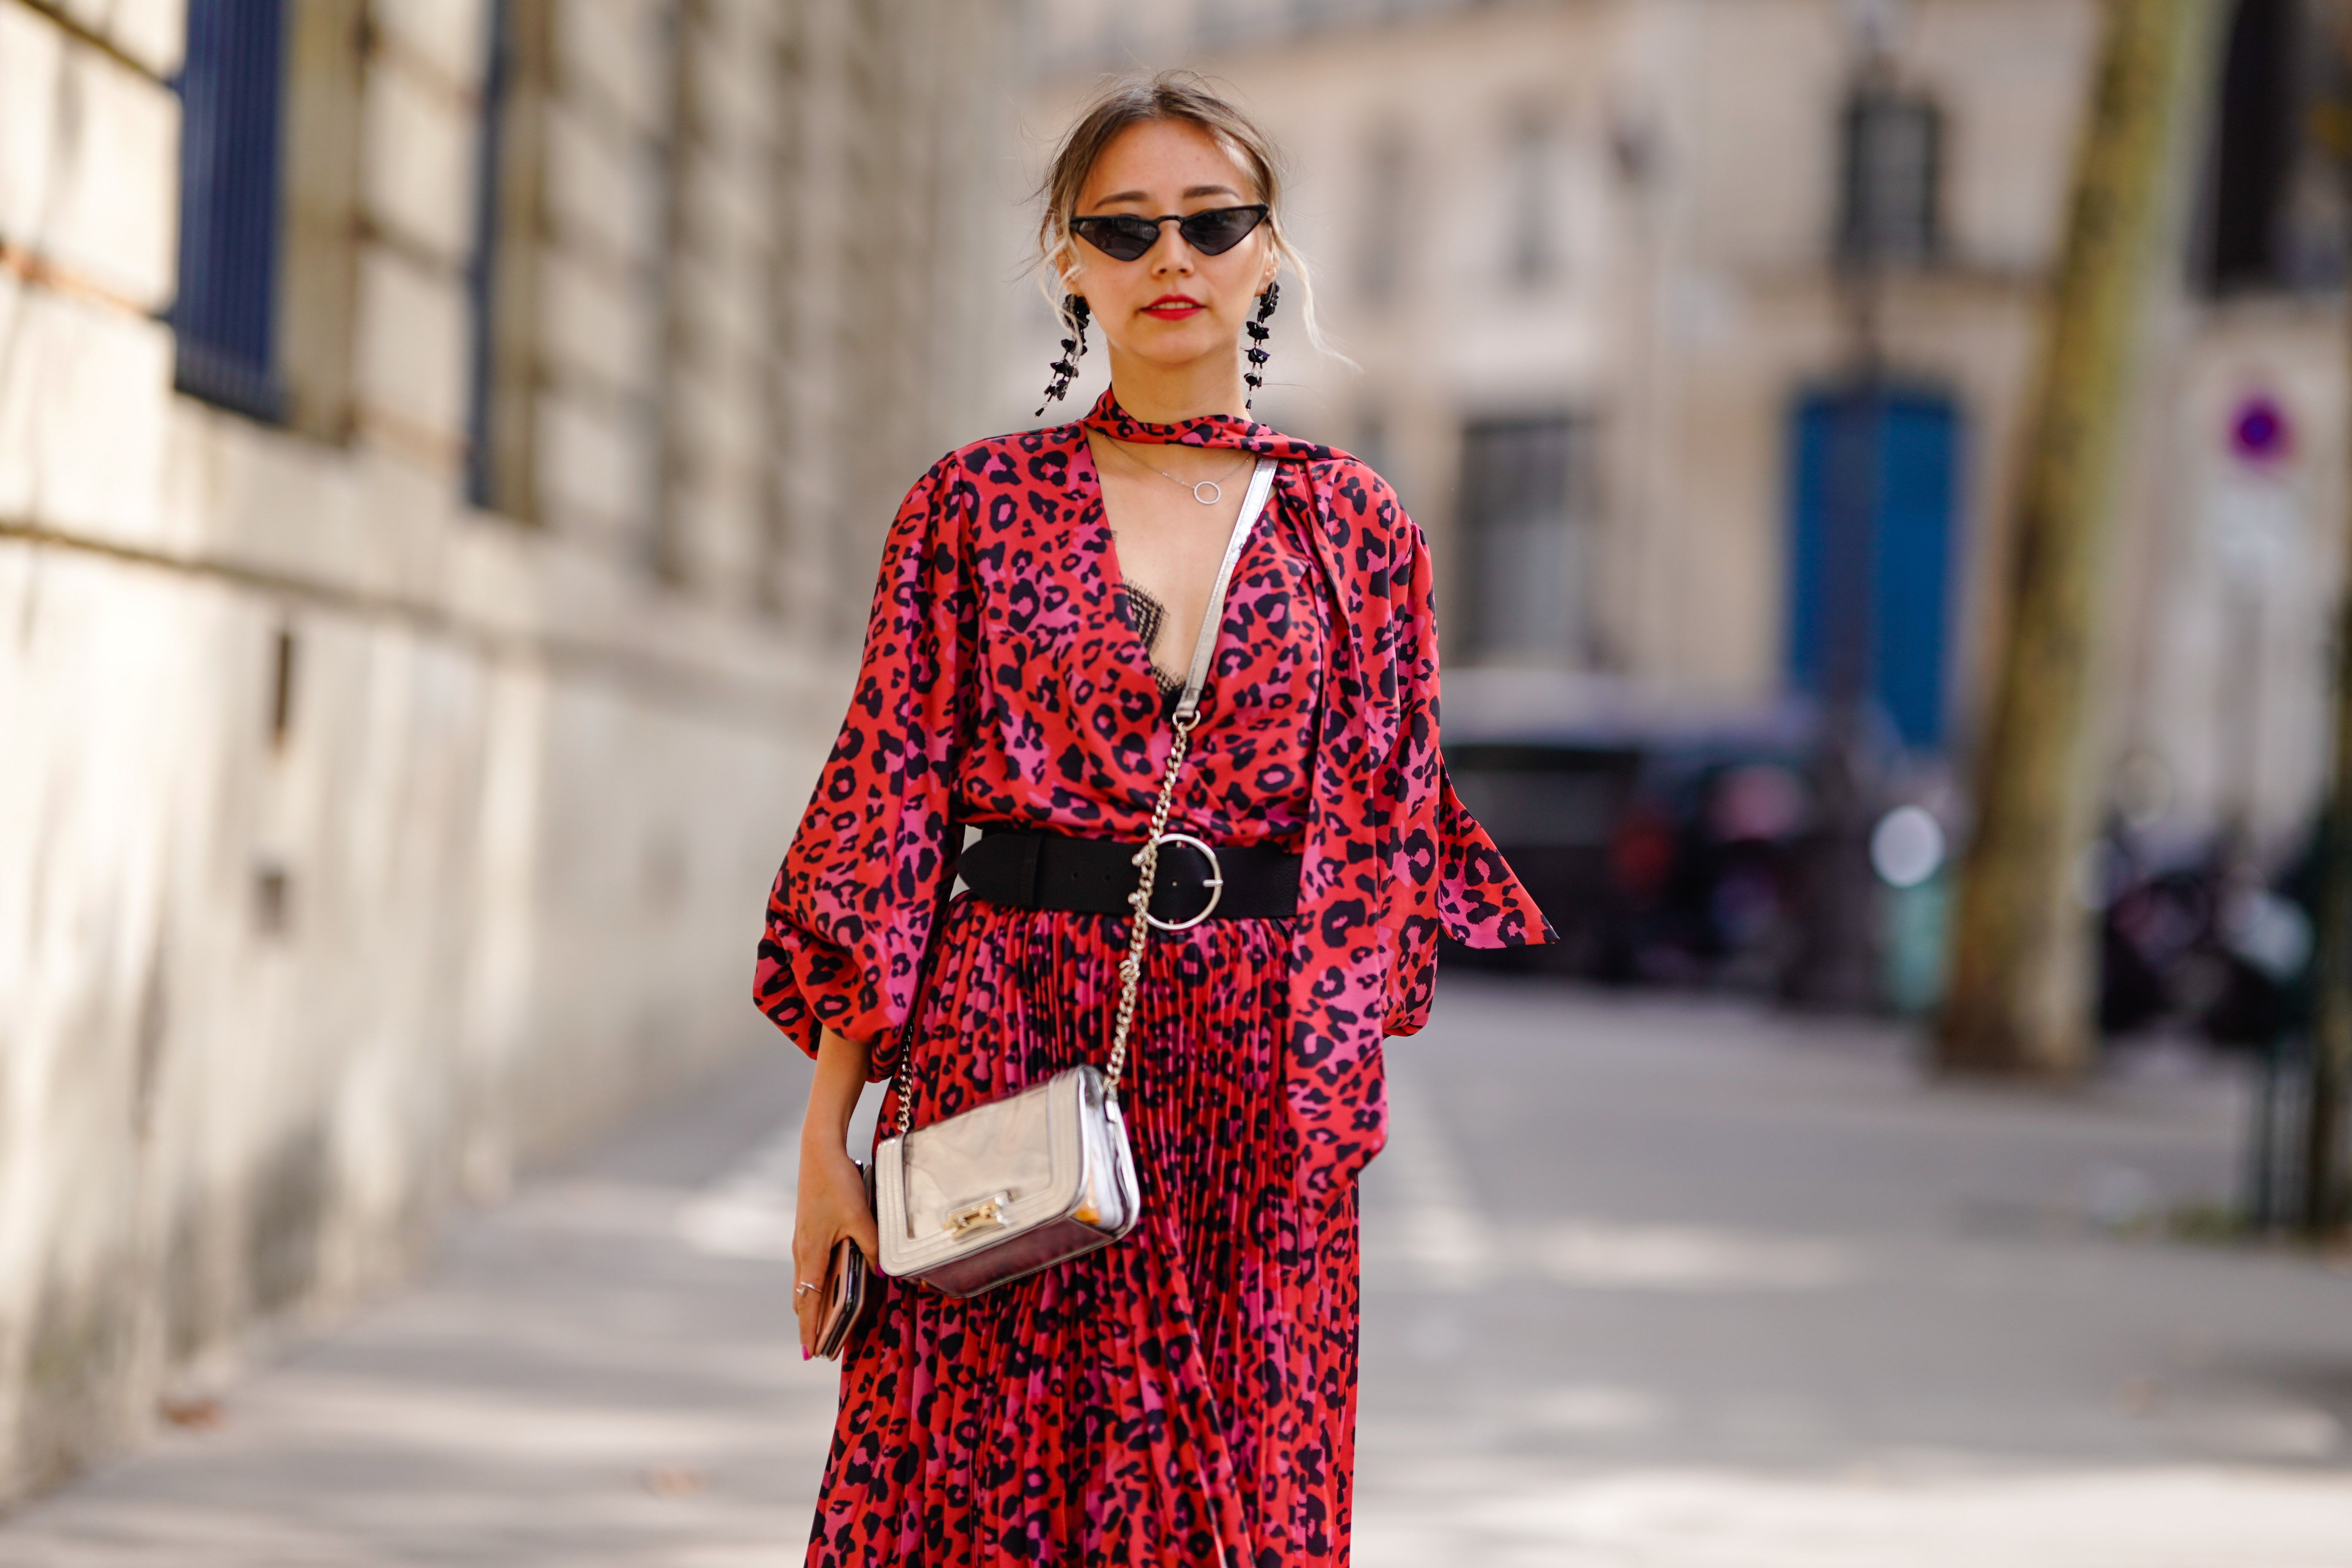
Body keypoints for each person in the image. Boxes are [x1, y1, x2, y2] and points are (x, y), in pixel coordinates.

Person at [756, 70, 1549, 1566]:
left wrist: (1320, 1118)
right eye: (1123, 231)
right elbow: (882, 822)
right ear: (1069, 261)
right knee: (967, 1489)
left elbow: (1381, 852)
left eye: (1210, 221)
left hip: (1253, 1094)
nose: (1169, 260)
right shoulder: (972, 507)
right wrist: (829, 1144)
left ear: (1267, 250)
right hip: (998, 1054)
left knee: (1222, 1505)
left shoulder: (1358, 533)